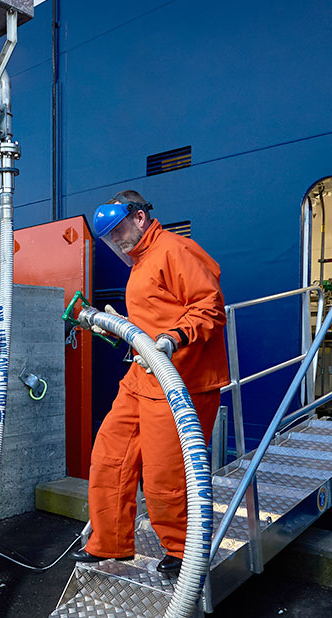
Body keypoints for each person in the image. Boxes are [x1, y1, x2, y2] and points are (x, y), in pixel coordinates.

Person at [74, 191, 229, 577]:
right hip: (143, 375)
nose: (116, 241)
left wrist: (174, 338)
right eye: (110, 237)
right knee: (109, 455)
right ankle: (109, 542)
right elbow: (158, 312)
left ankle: (182, 551)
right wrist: (117, 327)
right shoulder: (141, 260)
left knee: (166, 474)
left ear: (139, 217)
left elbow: (209, 307)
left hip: (181, 379)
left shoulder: (176, 250)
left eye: (119, 230)